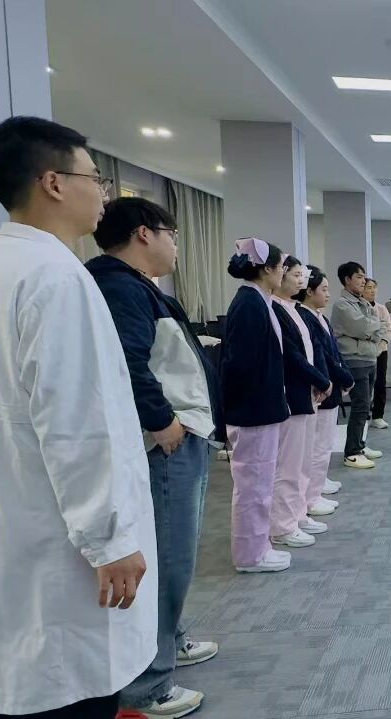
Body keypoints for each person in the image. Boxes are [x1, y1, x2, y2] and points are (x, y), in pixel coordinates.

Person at [0, 116, 156, 718]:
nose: (104, 193)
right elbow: (77, 422)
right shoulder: (56, 277)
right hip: (64, 546)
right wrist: (110, 537)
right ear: (54, 182)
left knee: (26, 681)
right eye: (96, 178)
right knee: (68, 687)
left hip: (17, 523)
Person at [89, 198, 222, 717]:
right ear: (144, 233)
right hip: (165, 442)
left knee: (176, 555)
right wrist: (162, 420)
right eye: (172, 234)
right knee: (168, 556)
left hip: (183, 436)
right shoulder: (118, 286)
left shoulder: (139, 286)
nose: (176, 245)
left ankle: (168, 640)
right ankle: (148, 683)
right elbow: (128, 362)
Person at [221, 237, 293, 574]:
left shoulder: (257, 300)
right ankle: (250, 554)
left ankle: (259, 546)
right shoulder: (250, 303)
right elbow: (241, 364)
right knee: (253, 486)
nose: (283, 274)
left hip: (260, 407)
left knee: (260, 483)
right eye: (281, 268)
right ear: (266, 270)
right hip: (253, 411)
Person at [271, 256, 333, 549]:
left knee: (302, 461)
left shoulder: (292, 309)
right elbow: (292, 355)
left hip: (307, 391)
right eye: (295, 274)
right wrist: (320, 379)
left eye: (301, 275)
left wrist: (319, 380)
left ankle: (297, 514)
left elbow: (312, 350)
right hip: (293, 393)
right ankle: (282, 525)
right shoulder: (274, 308)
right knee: (288, 465)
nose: (300, 280)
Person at [296, 266, 354, 514]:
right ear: (309, 291)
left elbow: (335, 353)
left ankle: (317, 488)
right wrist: (338, 377)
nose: (328, 294)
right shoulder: (304, 316)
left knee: (324, 445)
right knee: (316, 447)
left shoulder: (320, 317)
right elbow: (323, 357)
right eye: (324, 289)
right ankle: (311, 496)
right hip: (322, 388)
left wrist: (344, 376)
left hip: (332, 385)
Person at [332, 262, 386, 469]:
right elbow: (362, 327)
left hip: (369, 357)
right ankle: (352, 452)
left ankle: (360, 445)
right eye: (359, 277)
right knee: (360, 404)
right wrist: (370, 329)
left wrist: (370, 329)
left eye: (364, 277)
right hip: (354, 359)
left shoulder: (363, 303)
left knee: (365, 405)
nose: (363, 281)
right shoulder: (342, 304)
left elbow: (379, 327)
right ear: (347, 280)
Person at [365, 278, 391, 429]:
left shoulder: (382, 309)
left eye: (374, 287)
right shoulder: (359, 308)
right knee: (365, 383)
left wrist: (381, 344)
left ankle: (378, 416)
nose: (372, 290)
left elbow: (388, 329)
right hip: (364, 350)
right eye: (369, 287)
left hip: (381, 350)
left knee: (380, 382)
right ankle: (364, 414)